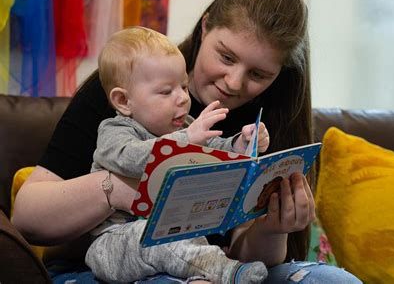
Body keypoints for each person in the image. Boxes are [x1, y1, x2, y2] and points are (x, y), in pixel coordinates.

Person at [13, 0, 362, 283]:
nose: (234, 82)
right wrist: (118, 189)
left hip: (219, 268)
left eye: (259, 75)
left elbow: (250, 256)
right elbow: (27, 217)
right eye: (226, 57)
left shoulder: (265, 120)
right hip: (115, 261)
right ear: (205, 26)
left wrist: (273, 227)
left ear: (279, 74)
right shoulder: (132, 88)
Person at [86, 26, 269, 283]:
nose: (183, 98)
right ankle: (229, 272)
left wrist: (241, 144)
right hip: (115, 242)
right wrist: (186, 140)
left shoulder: (185, 127)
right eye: (166, 91)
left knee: (179, 235)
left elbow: (213, 151)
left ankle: (201, 273)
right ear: (124, 102)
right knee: (158, 237)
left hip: (168, 232)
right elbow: (129, 159)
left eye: (183, 86)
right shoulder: (114, 130)